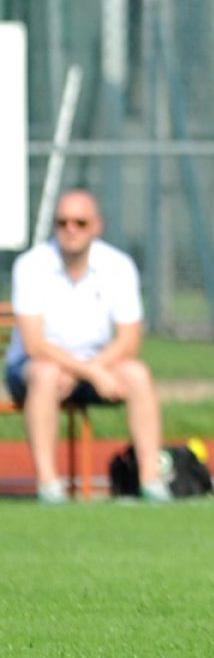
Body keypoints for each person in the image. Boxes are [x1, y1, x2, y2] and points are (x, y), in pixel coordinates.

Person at [5, 189, 170, 504]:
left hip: (96, 366)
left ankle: (151, 482)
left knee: (137, 373)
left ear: (97, 226)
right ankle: (49, 486)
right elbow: (35, 344)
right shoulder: (31, 265)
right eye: (62, 222)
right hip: (32, 370)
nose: (70, 229)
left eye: (80, 222)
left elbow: (128, 340)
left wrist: (91, 371)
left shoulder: (118, 265)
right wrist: (89, 372)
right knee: (46, 374)